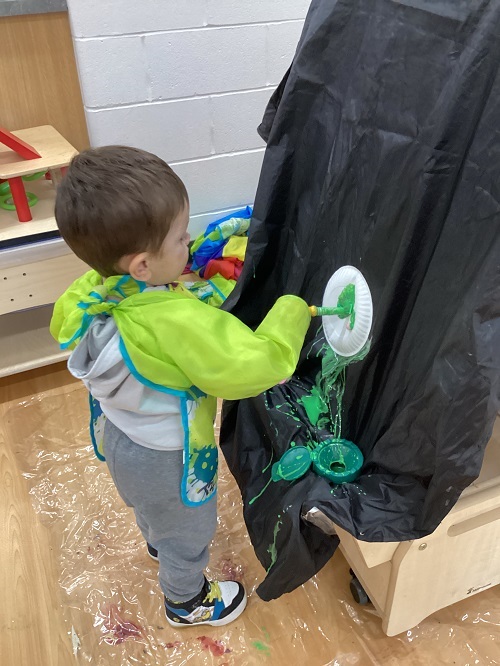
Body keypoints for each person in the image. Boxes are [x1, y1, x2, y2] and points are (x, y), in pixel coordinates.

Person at [50, 146, 311, 627]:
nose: (188, 240)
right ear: (142, 266)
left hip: (123, 438)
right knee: (189, 533)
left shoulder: (99, 287)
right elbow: (252, 365)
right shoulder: (175, 322)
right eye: (179, 238)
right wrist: (292, 313)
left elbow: (155, 314)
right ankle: (186, 600)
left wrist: (180, 278)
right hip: (167, 458)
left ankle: (157, 537)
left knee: (155, 515)